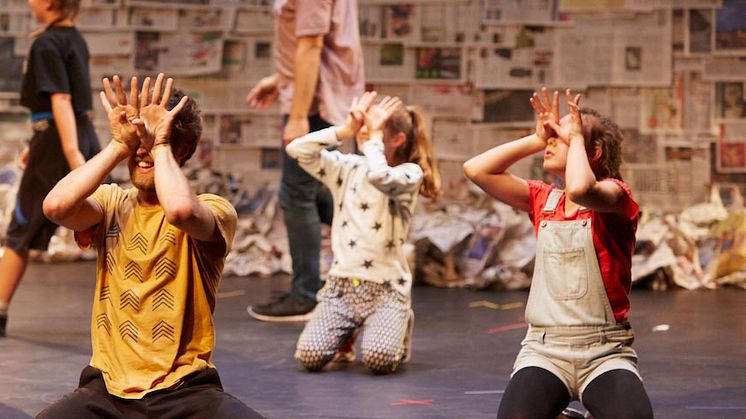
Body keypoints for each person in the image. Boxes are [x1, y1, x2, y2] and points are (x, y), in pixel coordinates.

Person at [36, 74, 263, 418]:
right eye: (137, 140)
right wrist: (117, 145)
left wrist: (160, 144)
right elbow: (56, 207)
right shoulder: (111, 203)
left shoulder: (215, 209)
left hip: (184, 389)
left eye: (154, 139)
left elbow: (181, 211)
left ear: (183, 149)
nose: (142, 150)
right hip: (108, 390)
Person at [463, 88, 654, 418]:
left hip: (604, 351)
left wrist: (577, 138)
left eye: (563, 135)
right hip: (545, 349)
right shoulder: (543, 200)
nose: (553, 141)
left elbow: (582, 190)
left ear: (591, 150)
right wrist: (537, 139)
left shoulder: (614, 196)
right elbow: (476, 169)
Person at [289, 91, 441, 374]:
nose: (364, 136)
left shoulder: (409, 174)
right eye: (364, 129)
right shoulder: (347, 168)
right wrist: (344, 130)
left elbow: (379, 176)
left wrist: (371, 141)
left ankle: (399, 321)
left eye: (374, 132)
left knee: (379, 360)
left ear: (397, 140)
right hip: (342, 287)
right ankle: (346, 333)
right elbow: (297, 150)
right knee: (308, 356)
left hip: (386, 289)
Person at [245, 0, 364, 322]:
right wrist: (280, 77)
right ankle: (362, 274)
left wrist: (298, 117)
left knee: (297, 196)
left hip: (314, 106)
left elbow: (312, 46)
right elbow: (314, 42)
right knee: (325, 194)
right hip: (314, 97)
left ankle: (306, 296)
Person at [0, 0, 101, 337]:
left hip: (61, 141)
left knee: (20, 229)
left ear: (50, 2)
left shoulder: (46, 43)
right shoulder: (75, 39)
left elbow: (61, 100)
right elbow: (71, 104)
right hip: (76, 134)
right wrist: (37, 143)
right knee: (109, 224)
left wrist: (73, 157)